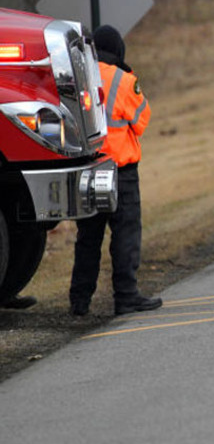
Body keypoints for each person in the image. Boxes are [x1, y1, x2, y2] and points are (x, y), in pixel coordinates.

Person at [69, 25, 162, 316]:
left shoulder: (77, 78)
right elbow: (141, 120)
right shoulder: (124, 80)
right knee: (125, 234)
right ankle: (126, 296)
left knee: (88, 238)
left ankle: (79, 301)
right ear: (118, 50)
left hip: (87, 170)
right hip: (120, 172)